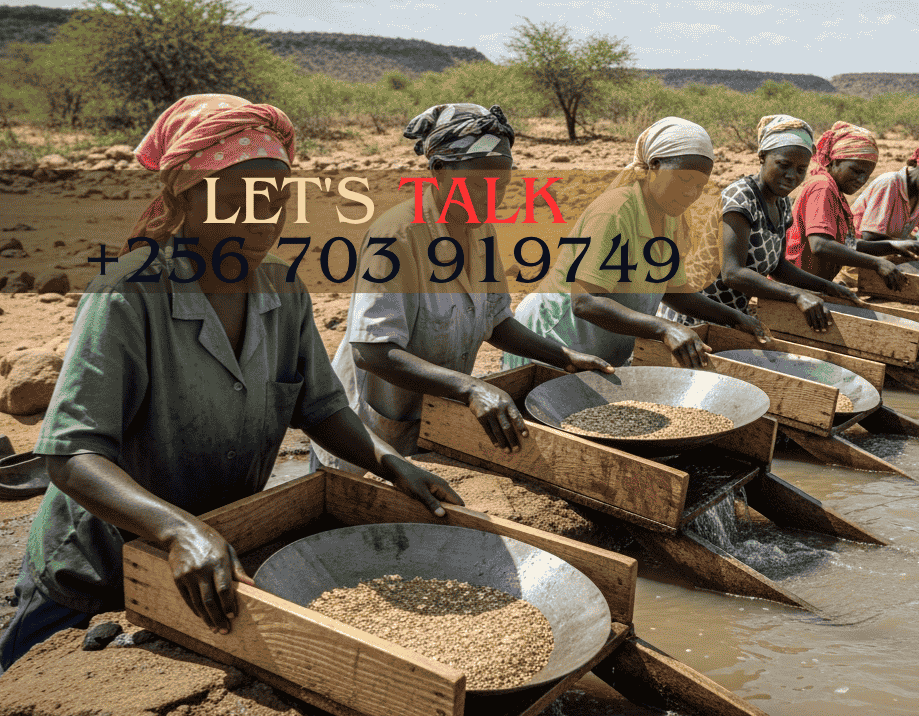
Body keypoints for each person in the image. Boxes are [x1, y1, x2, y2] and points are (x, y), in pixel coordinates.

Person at [0, 95, 462, 674]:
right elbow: (72, 456)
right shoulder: (129, 295)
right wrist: (176, 530)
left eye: (273, 201)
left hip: (216, 548)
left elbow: (320, 408)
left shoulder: (282, 291)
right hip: (96, 564)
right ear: (183, 195)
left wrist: (391, 462)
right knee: (30, 690)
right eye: (233, 198)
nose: (258, 218)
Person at [310, 103, 613, 469]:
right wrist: (470, 387)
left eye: (501, 185)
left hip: (434, 422)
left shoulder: (479, 229)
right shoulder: (397, 237)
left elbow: (495, 321)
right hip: (369, 439)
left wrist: (563, 358)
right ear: (439, 170)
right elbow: (371, 352)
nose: (491, 198)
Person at [504, 117, 770, 371]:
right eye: (683, 179)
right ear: (654, 165)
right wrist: (665, 328)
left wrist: (735, 318)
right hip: (554, 343)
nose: (691, 192)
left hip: (600, 348)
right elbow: (585, 301)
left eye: (700, 185)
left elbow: (673, 290)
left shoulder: (671, 218)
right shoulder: (616, 212)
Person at [660, 114, 859, 333]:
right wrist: (796, 294)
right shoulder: (740, 200)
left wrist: (826, 287)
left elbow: (778, 267)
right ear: (762, 156)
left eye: (801, 170)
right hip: (697, 317)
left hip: (733, 315)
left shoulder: (782, 203)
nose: (792, 176)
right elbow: (732, 273)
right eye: (783, 165)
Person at [783, 121, 919, 291]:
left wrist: (895, 246)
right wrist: (876, 263)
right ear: (834, 161)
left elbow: (848, 246)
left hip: (813, 285)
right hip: (796, 287)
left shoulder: (836, 194)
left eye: (866, 175)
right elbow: (820, 245)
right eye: (856, 171)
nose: (861, 181)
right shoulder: (822, 187)